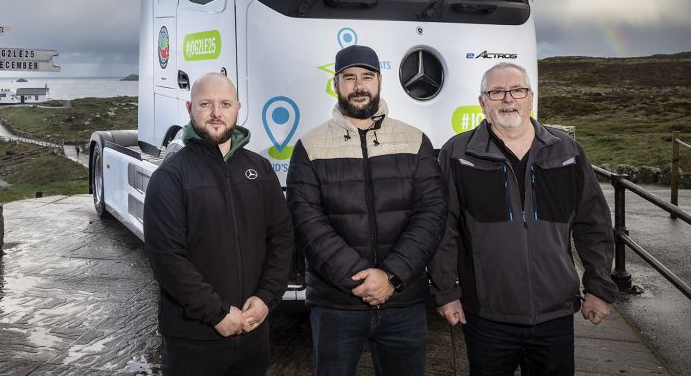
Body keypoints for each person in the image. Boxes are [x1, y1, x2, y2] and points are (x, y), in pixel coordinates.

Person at [429, 62, 618, 375]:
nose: (508, 98)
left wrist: (598, 286)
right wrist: (447, 293)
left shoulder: (566, 151)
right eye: (497, 92)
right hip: (486, 317)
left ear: (530, 97)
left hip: (554, 315)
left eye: (517, 90)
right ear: (482, 102)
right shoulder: (457, 153)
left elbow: (593, 223)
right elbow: (442, 229)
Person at [286, 45, 447, 376]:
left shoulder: (415, 141)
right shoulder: (309, 147)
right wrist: (362, 280)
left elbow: (431, 214)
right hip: (336, 304)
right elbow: (307, 223)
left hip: (403, 301)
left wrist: (390, 276)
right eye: (349, 78)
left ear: (380, 82)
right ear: (336, 84)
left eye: (366, 77)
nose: (358, 86)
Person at [144, 73, 294, 376]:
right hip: (193, 338)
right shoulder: (171, 176)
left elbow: (281, 237)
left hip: (253, 332)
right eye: (205, 104)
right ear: (189, 108)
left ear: (237, 108)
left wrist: (266, 298)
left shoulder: (260, 168)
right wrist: (217, 313)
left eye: (225, 104)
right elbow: (167, 259)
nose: (216, 113)